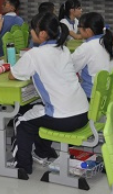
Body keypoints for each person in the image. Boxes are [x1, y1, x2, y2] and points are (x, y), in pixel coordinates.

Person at [8, 12, 89, 174]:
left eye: (32, 30)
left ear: (42, 33)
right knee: (38, 110)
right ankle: (43, 152)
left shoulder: (35, 54)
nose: (30, 33)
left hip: (64, 118)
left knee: (22, 121)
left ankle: (22, 166)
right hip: (83, 113)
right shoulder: (64, 49)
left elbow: (13, 74)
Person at [72, 12, 113, 98]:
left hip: (92, 95)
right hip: (109, 94)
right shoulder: (107, 42)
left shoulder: (87, 47)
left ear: (88, 30)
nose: (78, 30)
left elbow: (70, 67)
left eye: (79, 27)